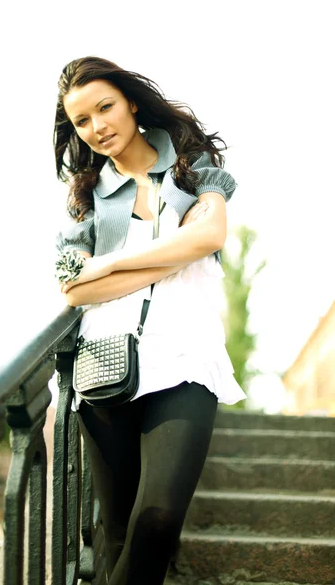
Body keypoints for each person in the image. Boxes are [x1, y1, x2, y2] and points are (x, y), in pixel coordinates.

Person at [53, 56, 246, 585]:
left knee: (157, 521)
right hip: (108, 360)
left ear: (132, 101)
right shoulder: (84, 197)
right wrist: (171, 254)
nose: (98, 127)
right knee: (117, 533)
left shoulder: (191, 165)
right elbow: (74, 289)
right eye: (83, 121)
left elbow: (208, 238)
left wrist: (111, 262)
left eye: (105, 108)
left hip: (185, 358)